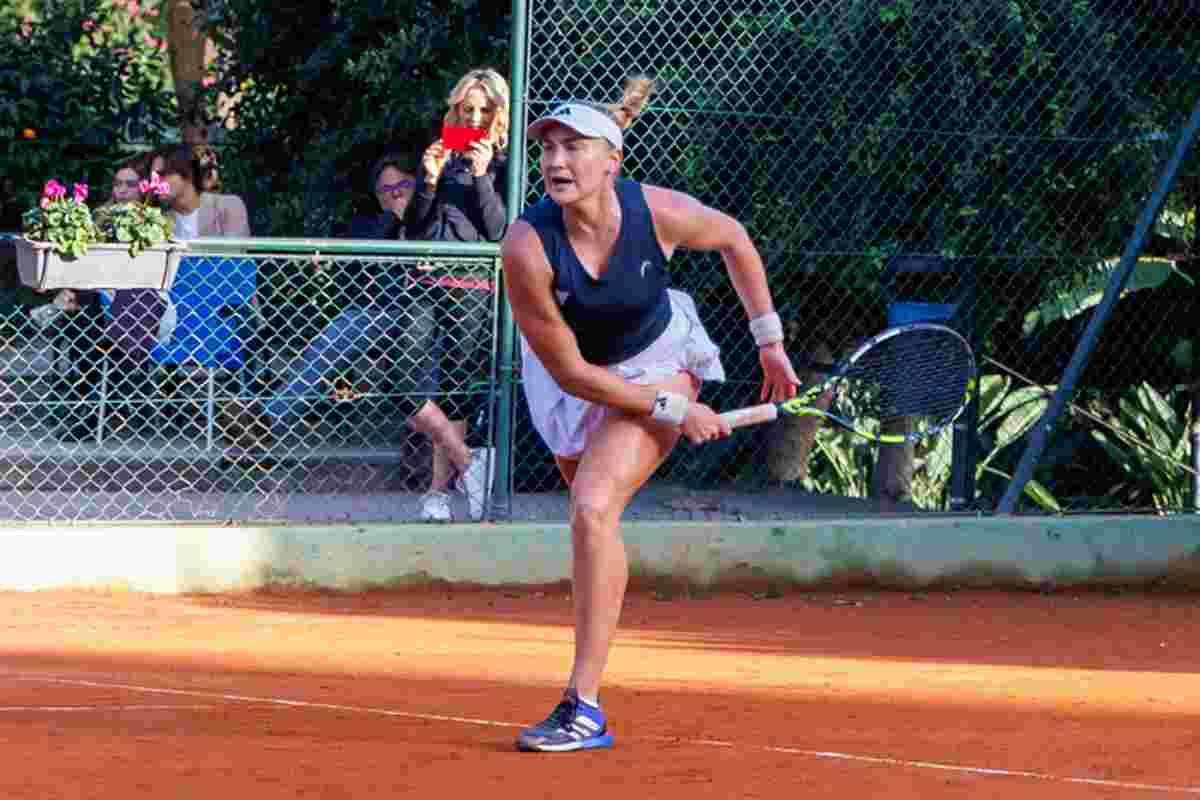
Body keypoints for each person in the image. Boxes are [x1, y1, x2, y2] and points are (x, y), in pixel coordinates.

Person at [503, 77, 801, 752]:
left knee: (592, 507)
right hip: (573, 379)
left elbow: (734, 238)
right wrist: (678, 410)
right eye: (547, 147)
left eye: (573, 147)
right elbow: (571, 372)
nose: (555, 160)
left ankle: (583, 704)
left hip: (658, 353)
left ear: (611, 161)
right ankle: (590, 675)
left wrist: (770, 341)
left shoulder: (656, 211)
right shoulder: (526, 247)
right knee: (591, 525)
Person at [403, 67, 510, 522]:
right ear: (455, 110)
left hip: (471, 282)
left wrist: (483, 174)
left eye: (484, 110)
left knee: (457, 386)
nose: (475, 116)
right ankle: (470, 463)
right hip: (426, 278)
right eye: (467, 109)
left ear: (497, 114)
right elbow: (416, 224)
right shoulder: (441, 152)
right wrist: (428, 181)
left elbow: (499, 230)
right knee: (402, 374)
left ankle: (438, 494)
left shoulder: (505, 161)